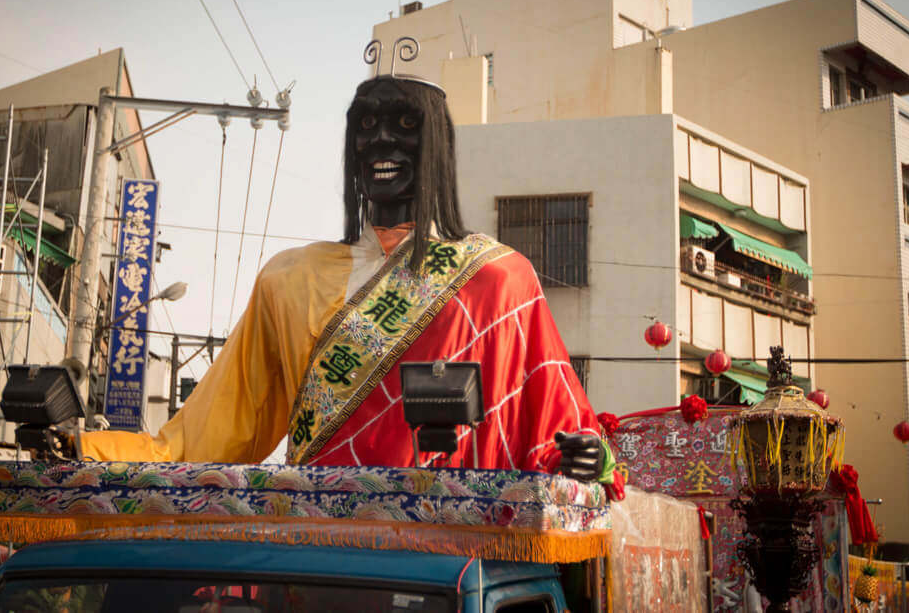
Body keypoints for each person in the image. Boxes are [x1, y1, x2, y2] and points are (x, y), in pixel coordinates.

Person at [78, 58, 622, 497]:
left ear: (439, 147)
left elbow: (557, 424)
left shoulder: (500, 279)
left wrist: (588, 460)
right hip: (318, 551)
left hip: (457, 553)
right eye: (366, 126)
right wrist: (88, 450)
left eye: (405, 126)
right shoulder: (289, 278)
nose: (381, 141)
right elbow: (207, 434)